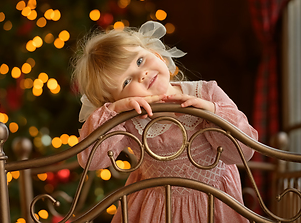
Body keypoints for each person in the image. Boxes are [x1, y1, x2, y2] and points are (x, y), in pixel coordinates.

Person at [72, 21, 258, 222]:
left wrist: (211, 113)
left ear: (157, 55)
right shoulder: (128, 119)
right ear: (118, 99)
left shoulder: (206, 92)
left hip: (215, 204)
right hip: (157, 211)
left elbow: (244, 152)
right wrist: (114, 112)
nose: (141, 74)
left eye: (140, 61)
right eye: (126, 82)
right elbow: (91, 160)